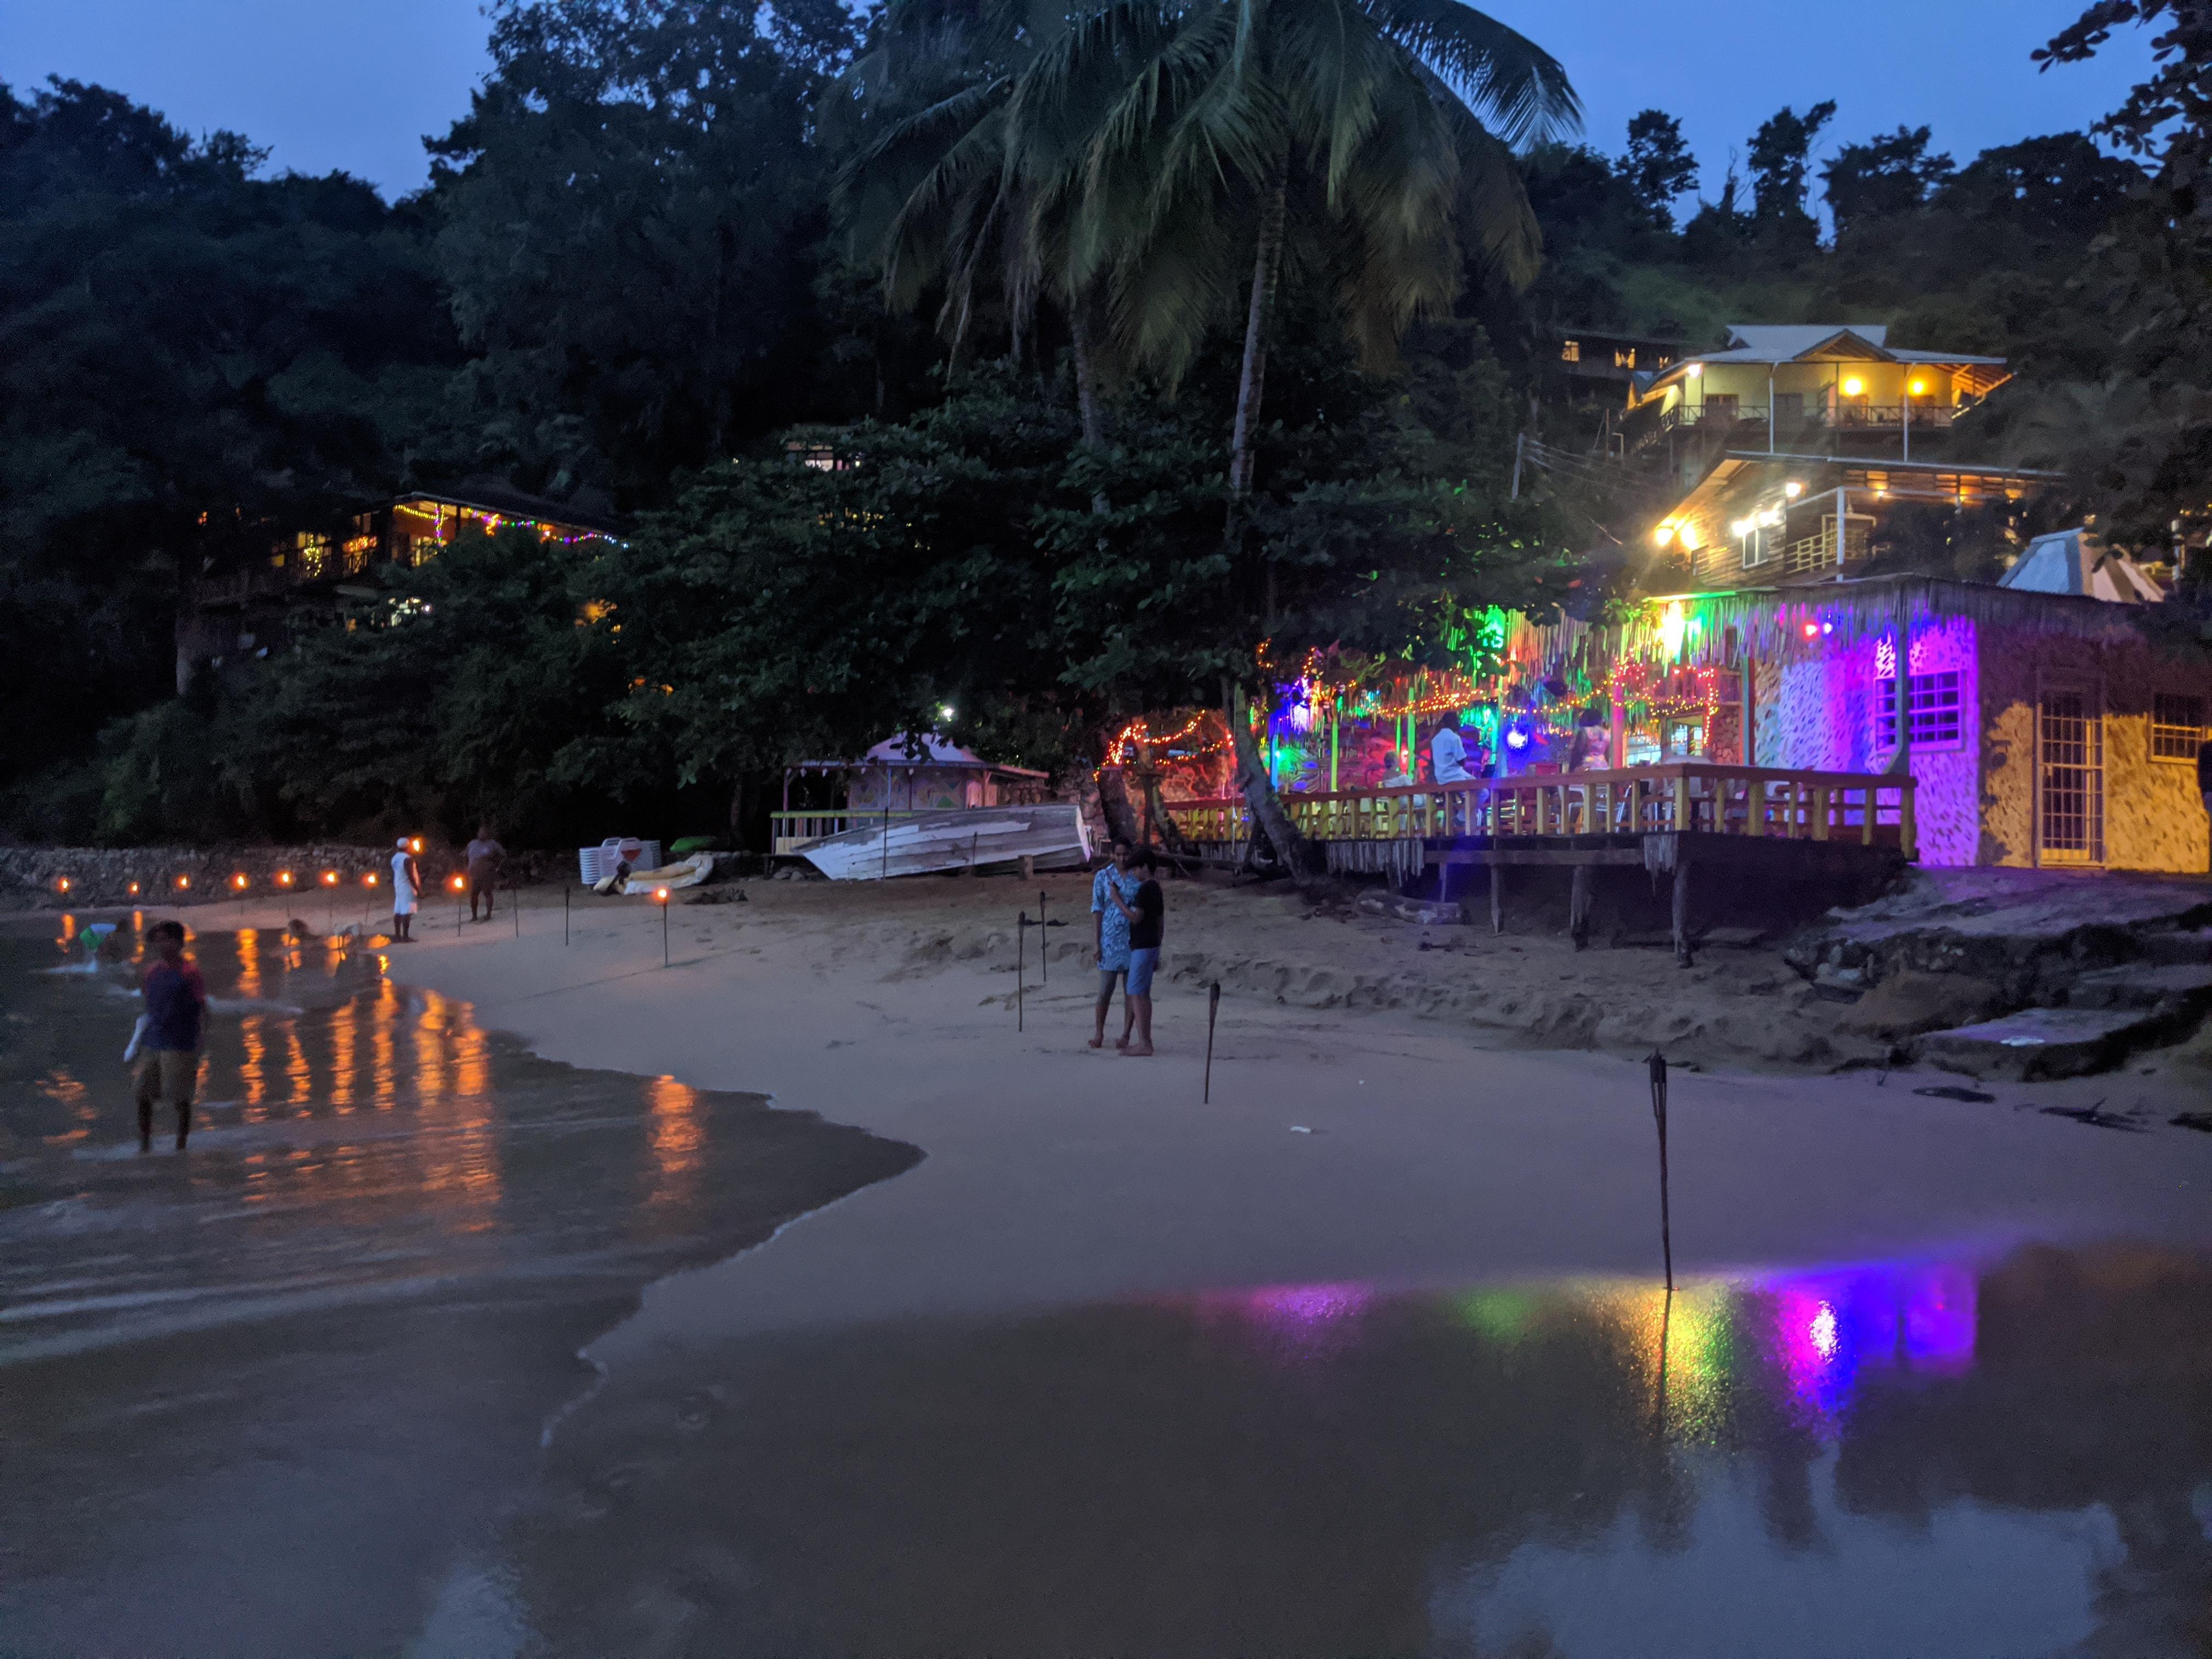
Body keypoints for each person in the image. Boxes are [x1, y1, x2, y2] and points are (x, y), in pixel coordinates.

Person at [134, 920, 206, 1152]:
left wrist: (199, 1045)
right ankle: (145, 1144)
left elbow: (202, 1010)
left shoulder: (189, 974)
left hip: (180, 1044)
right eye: (158, 939)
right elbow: (149, 1004)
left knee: (179, 1097)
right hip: (153, 1041)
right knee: (142, 1092)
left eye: (166, 939)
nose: (161, 944)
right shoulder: (151, 973)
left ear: (178, 943)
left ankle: (181, 1145)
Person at [1107, 850, 1165, 1056]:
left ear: (1145, 867)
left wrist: (1117, 900)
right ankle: (1145, 1040)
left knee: (1135, 993)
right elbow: (1160, 921)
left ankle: (1144, 1042)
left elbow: (1136, 917)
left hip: (1142, 946)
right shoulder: (1156, 888)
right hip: (1151, 945)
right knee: (1143, 993)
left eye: (1136, 869)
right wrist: (1159, 946)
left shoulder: (1146, 889)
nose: (1134, 873)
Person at [1088, 839, 1142, 1049]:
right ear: (1112, 855)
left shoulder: (1137, 878)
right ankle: (1099, 1032)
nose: (1122, 859)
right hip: (1110, 939)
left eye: (1125, 854)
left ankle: (1126, 1034)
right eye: (1118, 854)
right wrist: (1097, 942)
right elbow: (1097, 909)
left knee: (1131, 990)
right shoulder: (1103, 877)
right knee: (1105, 990)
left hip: (1132, 939)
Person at [465, 824, 506, 921]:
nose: (481, 834)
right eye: (480, 832)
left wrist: (498, 867)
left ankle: (488, 915)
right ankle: (474, 916)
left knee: (487, 893)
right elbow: (466, 855)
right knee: (474, 894)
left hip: (486, 873)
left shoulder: (492, 844)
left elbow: (503, 855)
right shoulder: (472, 843)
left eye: (484, 832)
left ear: (488, 834)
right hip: (474, 873)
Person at [390, 838, 422, 941]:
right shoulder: (407, 859)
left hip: (398, 886)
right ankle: (405, 936)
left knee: (398, 910)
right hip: (407, 887)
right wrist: (418, 890)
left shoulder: (395, 858)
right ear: (408, 847)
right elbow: (411, 876)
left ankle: (397, 935)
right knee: (407, 911)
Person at [1431, 719, 1479, 784]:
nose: (1459, 724)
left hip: (1440, 778)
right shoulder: (1454, 738)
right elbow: (1462, 762)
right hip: (1455, 777)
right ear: (1453, 723)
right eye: (1458, 721)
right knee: (1483, 791)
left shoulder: (1435, 739)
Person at [2199, 734, 2212, 873]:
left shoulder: (2205, 748)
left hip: (2208, 792)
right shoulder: (2207, 749)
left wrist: (2203, 792)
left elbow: (2201, 773)